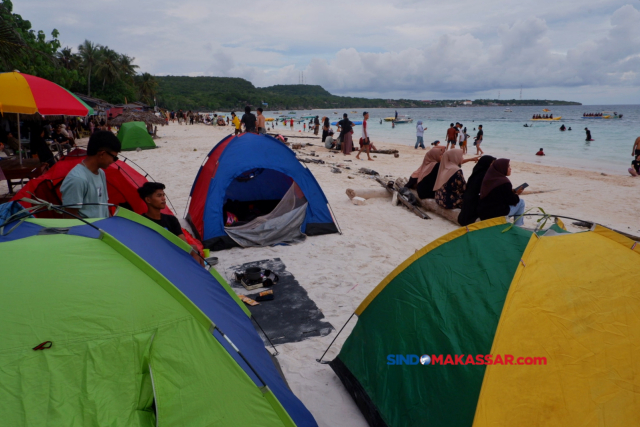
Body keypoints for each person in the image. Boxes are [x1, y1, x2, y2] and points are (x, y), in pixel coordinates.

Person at [137, 182, 204, 265]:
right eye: (159, 196)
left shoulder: (171, 219)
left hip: (174, 254)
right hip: (156, 258)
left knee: (194, 249)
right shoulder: (141, 222)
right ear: (148, 200)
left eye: (163, 195)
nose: (163, 198)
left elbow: (183, 244)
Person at [60, 131, 121, 218]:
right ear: (102, 154)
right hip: (87, 231)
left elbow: (104, 206)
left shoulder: (101, 173)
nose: (114, 161)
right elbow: (69, 216)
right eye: (114, 157)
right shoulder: (77, 179)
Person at [477, 159, 525, 226]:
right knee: (521, 202)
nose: (510, 169)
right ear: (502, 168)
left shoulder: (488, 178)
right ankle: (518, 226)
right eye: (508, 167)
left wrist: (513, 192)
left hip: (484, 213)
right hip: (497, 215)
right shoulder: (504, 182)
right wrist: (517, 194)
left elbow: (499, 194)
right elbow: (512, 201)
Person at [457, 155, 496, 226]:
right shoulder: (485, 176)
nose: (493, 166)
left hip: (467, 203)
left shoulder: (477, 172)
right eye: (492, 163)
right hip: (474, 204)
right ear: (487, 164)